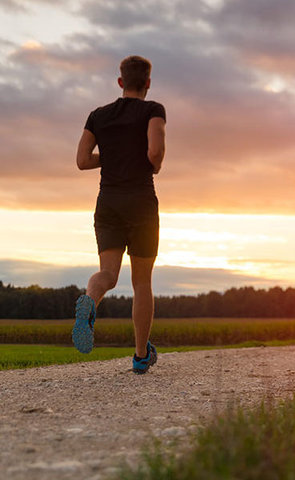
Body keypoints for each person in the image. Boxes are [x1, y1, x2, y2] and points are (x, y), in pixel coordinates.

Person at [73, 55, 166, 374]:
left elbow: (82, 160)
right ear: (148, 83)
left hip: (108, 202)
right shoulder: (153, 110)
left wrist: (111, 156)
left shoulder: (98, 115)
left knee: (107, 276)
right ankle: (141, 355)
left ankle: (90, 301)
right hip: (141, 202)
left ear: (120, 82)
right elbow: (155, 151)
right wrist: (151, 161)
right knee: (142, 282)